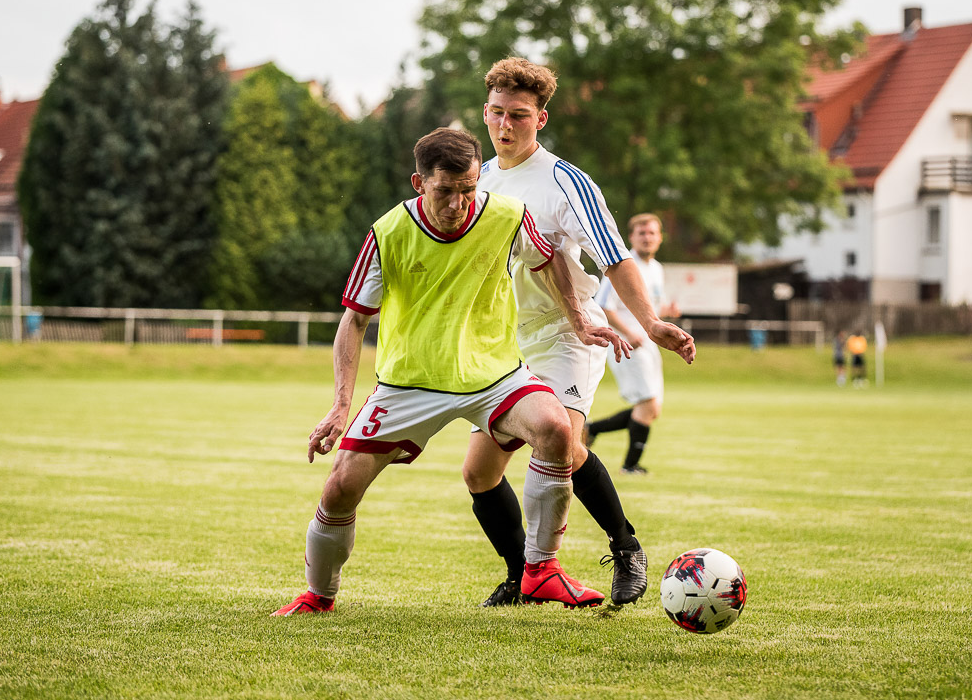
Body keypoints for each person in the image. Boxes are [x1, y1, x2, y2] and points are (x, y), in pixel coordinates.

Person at [272, 127, 628, 615]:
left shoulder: (507, 216)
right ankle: (319, 596)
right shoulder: (387, 233)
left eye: (468, 190)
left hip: (493, 374)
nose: (459, 203)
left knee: (554, 428)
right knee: (339, 488)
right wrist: (339, 407)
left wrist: (579, 319)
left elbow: (547, 260)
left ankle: (541, 570)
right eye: (446, 191)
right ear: (419, 183)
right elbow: (354, 320)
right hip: (407, 383)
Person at [465, 57, 697, 608]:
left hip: (570, 334)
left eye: (518, 115)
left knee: (565, 447)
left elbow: (614, 259)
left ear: (540, 119)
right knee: (479, 473)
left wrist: (651, 322)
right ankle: (522, 574)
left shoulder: (565, 182)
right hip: (509, 341)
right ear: (484, 112)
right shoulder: (481, 180)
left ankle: (625, 547)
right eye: (496, 113)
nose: (505, 126)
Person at [585, 213, 681, 475]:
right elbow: (603, 306)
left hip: (647, 343)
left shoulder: (656, 269)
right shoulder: (623, 266)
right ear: (632, 238)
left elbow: (645, 306)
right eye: (642, 233)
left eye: (651, 233)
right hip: (626, 344)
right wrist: (630, 332)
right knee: (647, 405)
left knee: (652, 409)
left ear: (660, 237)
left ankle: (591, 429)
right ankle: (630, 465)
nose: (647, 238)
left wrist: (666, 311)